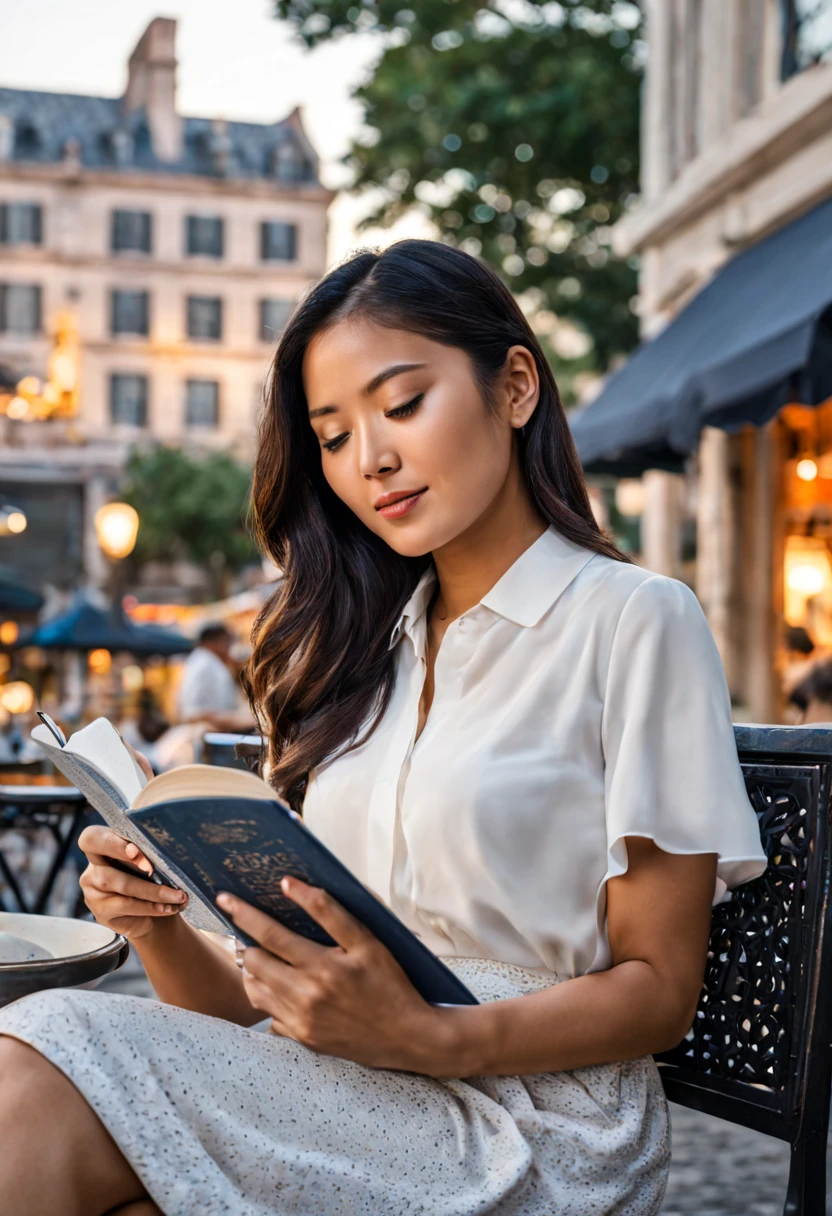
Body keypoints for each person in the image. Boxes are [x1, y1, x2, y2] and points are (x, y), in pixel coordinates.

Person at [0, 240, 767, 1216]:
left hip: (534, 1121)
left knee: (44, 1054)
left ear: (516, 384)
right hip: (342, 1091)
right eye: (331, 435)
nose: (371, 460)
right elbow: (254, 1011)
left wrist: (428, 1037)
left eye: (401, 405)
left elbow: (660, 987)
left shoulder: (632, 620)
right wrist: (156, 925)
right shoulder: (365, 658)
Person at [175, 622, 254, 732]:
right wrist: (238, 720)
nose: (229, 646)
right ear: (212, 642)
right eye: (226, 641)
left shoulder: (209, 662)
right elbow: (191, 714)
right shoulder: (203, 664)